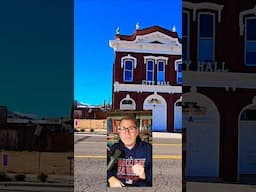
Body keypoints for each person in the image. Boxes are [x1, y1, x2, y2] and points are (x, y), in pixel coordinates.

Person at [107, 116, 152, 187]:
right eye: (123, 129)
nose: (126, 133)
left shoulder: (149, 149)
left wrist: (145, 175)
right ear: (119, 132)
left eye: (131, 128)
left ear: (137, 132)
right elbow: (107, 169)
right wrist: (110, 178)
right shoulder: (114, 148)